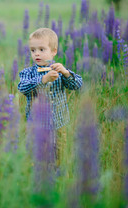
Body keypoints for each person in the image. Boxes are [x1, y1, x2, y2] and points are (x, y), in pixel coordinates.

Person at [17, 28, 83, 165]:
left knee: (59, 156)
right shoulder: (28, 73)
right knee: (36, 157)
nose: (37, 54)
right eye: (33, 50)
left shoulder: (58, 70)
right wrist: (43, 80)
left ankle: (58, 178)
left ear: (53, 51)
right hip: (37, 125)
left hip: (58, 124)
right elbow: (22, 88)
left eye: (42, 49)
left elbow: (77, 85)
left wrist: (66, 73)